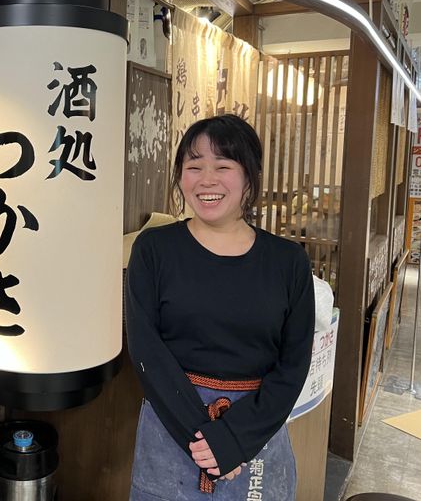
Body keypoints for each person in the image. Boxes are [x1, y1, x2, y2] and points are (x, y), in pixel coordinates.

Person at [125, 114, 314, 500]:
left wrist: (235, 439)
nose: (206, 180)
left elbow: (294, 365)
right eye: (194, 167)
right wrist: (209, 442)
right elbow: (147, 352)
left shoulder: (288, 261)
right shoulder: (154, 249)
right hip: (173, 425)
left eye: (223, 166)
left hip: (256, 430)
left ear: (250, 175)